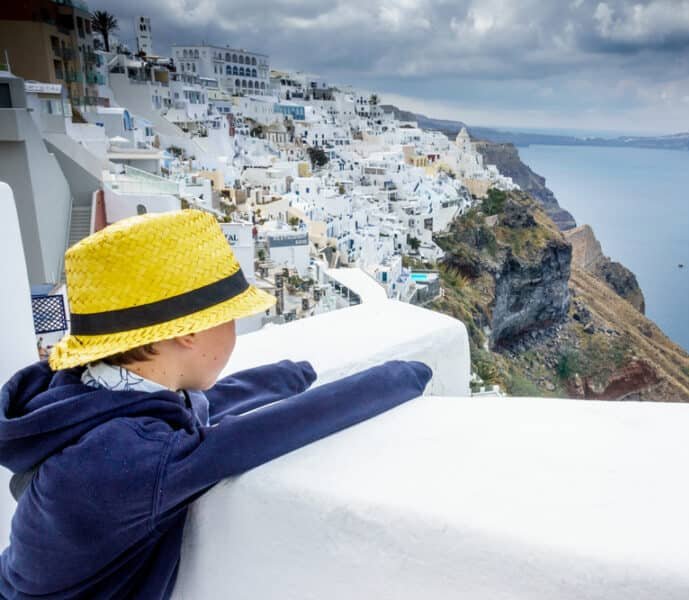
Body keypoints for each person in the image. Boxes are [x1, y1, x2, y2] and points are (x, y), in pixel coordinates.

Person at [0, 210, 432, 598]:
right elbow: (256, 437)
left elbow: (187, 412)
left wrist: (280, 378)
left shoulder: (81, 396)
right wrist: (397, 378)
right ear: (187, 332)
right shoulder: (134, 459)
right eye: (230, 317)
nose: (235, 330)